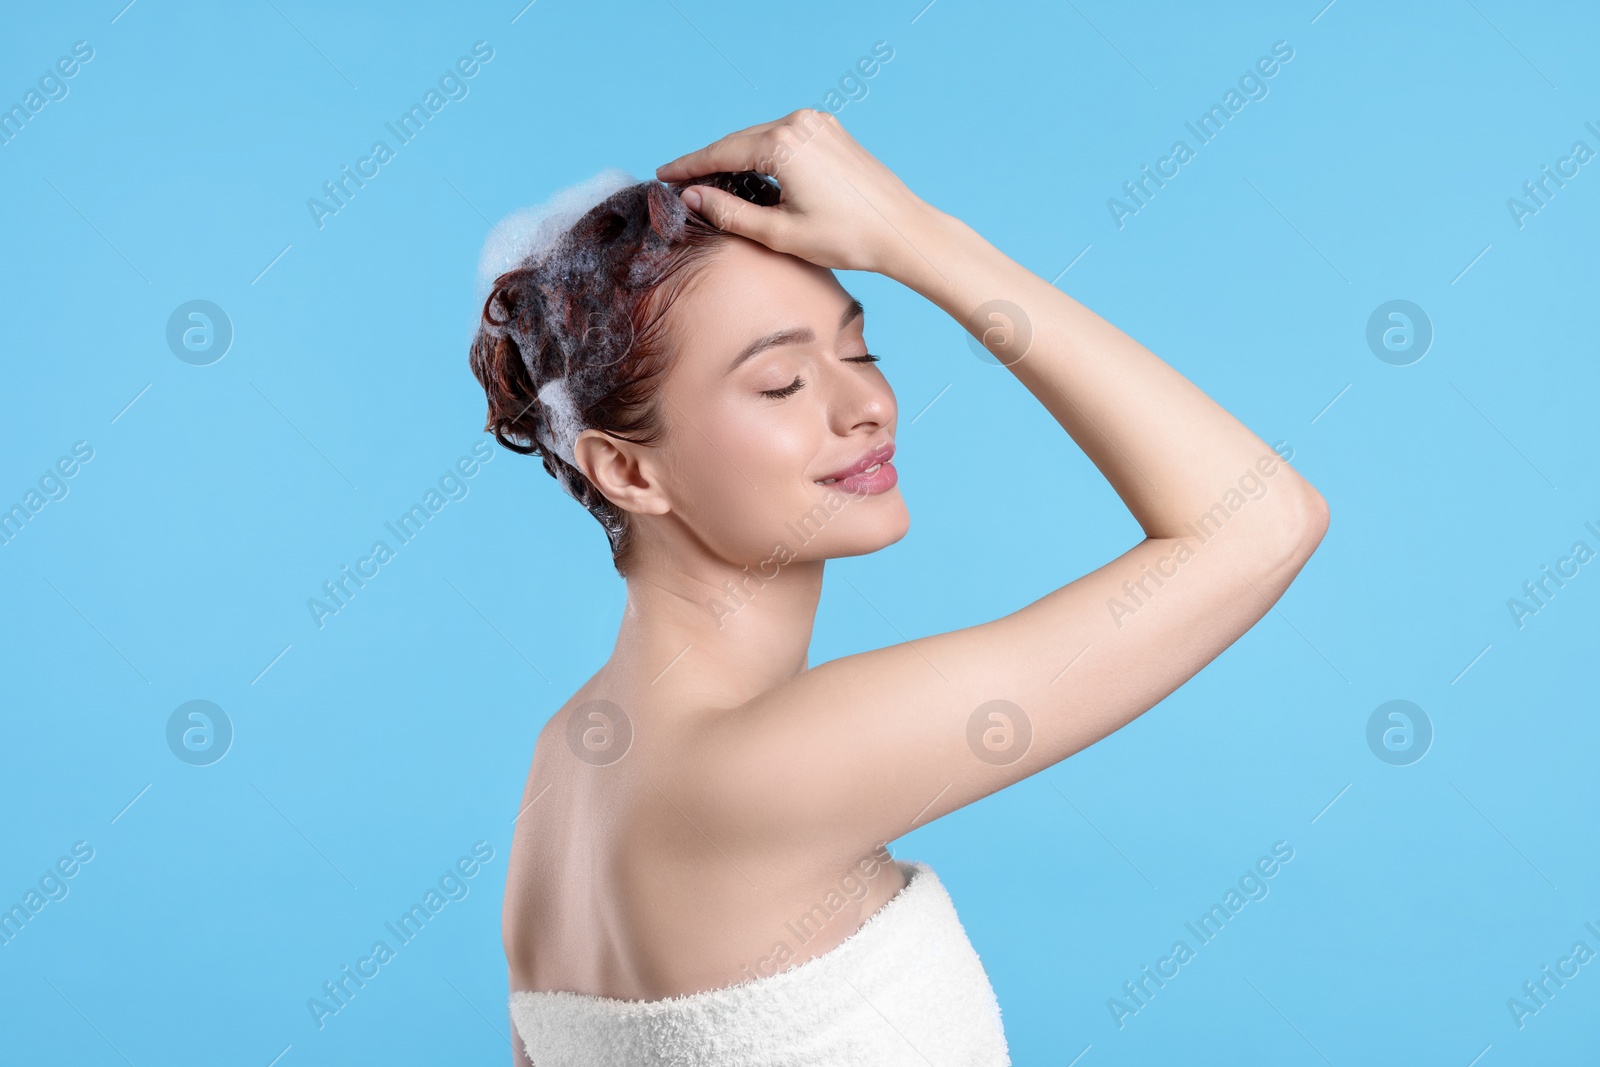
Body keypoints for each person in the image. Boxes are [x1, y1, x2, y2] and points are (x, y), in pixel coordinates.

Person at [467, 108, 1329, 1066]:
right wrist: (919, 236)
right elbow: (1261, 520)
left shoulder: (571, 762)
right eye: (782, 383)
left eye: (862, 347)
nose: (868, 405)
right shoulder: (759, 766)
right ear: (628, 471)